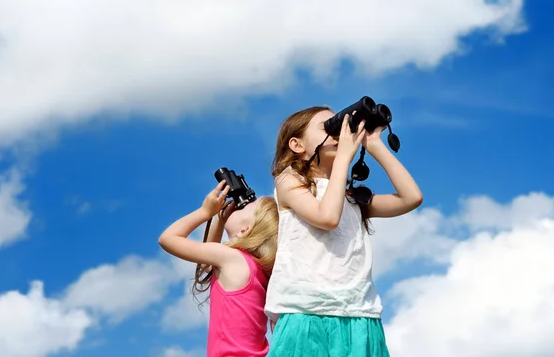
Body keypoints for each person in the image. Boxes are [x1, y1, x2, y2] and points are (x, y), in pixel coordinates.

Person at [265, 106, 423, 356]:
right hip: (308, 312)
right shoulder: (288, 181)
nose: (341, 133)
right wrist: (342, 160)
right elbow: (327, 217)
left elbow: (411, 198)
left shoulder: (351, 199)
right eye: (329, 127)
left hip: (360, 313)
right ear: (297, 145)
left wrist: (374, 145)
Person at [158, 180, 279, 357]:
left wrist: (205, 212)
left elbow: (167, 238)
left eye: (246, 206)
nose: (239, 205)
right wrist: (219, 220)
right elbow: (207, 265)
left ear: (245, 230)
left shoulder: (233, 259)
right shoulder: (257, 270)